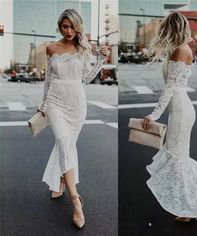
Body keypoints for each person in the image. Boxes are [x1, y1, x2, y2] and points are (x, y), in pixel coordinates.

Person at [142, 12, 197, 222]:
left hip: (181, 110)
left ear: (172, 28)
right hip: (180, 109)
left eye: (166, 28)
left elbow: (169, 88)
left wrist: (153, 115)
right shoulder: (181, 48)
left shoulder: (180, 50)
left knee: (175, 158)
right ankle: (190, 205)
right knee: (177, 158)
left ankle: (188, 208)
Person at [37, 9, 109, 229]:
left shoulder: (82, 48)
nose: (68, 30)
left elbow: (85, 79)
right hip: (55, 102)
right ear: (60, 27)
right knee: (63, 142)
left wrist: (101, 60)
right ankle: (76, 200)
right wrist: (42, 105)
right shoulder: (51, 48)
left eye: (72, 26)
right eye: (64, 26)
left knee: (67, 147)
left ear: (78, 27)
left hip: (77, 104)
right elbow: (49, 79)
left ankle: (60, 180)